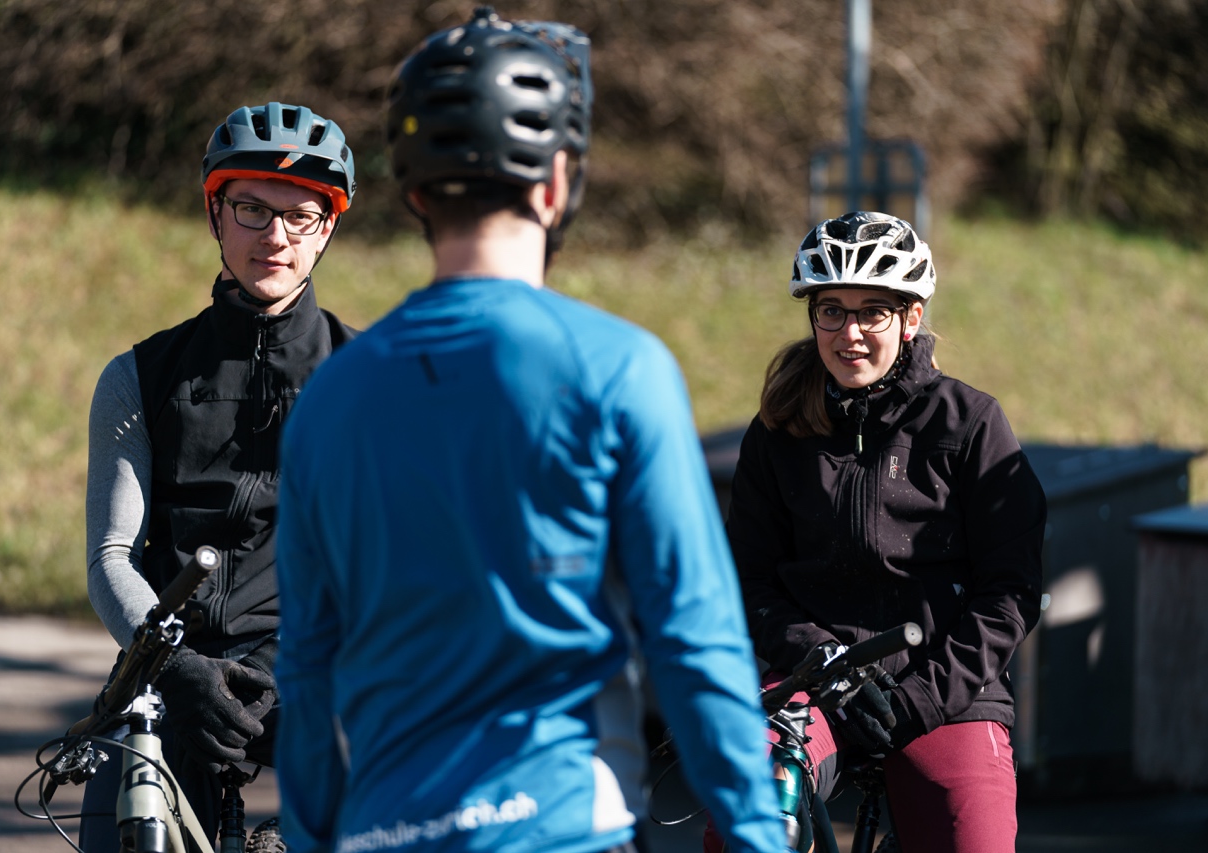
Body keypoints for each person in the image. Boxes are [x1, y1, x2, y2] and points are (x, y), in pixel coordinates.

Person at [273, 8, 785, 853]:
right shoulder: (617, 367)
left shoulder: (330, 399)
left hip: (380, 830)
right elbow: (693, 637)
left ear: (413, 195)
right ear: (555, 184)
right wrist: (758, 836)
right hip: (559, 823)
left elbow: (308, 668)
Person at [717, 211, 1047, 853]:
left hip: (945, 689)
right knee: (749, 825)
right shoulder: (777, 429)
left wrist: (919, 699)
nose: (851, 333)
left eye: (873, 312)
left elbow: (1009, 593)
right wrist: (828, 666)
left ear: (911, 317)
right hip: (810, 680)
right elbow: (748, 581)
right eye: (831, 311)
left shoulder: (971, 422)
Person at [80, 101, 358, 849]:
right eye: (251, 209)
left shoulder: (369, 379)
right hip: (169, 671)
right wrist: (172, 667)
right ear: (215, 214)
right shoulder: (140, 376)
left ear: (326, 228)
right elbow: (112, 556)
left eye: (300, 216)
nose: (275, 236)